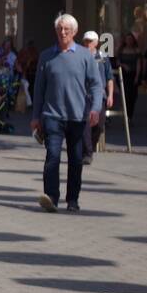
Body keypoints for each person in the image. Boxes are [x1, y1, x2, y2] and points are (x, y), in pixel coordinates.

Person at [31, 14, 101, 213]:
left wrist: (95, 108)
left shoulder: (85, 56)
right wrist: (36, 116)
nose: (63, 32)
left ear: (74, 32)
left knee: (75, 159)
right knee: (52, 156)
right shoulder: (46, 56)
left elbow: (96, 85)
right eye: (60, 29)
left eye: (66, 29)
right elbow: (39, 89)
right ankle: (51, 197)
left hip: (77, 117)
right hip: (52, 116)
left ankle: (73, 200)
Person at [81, 30, 114, 165]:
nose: (87, 44)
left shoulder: (103, 57)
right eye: (85, 41)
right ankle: (87, 153)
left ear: (96, 43)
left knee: (99, 125)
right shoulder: (80, 56)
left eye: (90, 41)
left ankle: (91, 147)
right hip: (84, 96)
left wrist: (110, 95)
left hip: (100, 96)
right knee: (86, 125)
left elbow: (109, 78)